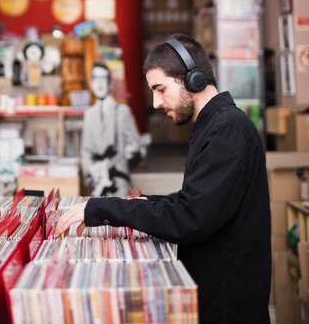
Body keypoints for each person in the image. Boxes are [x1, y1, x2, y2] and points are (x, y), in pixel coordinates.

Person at [55, 34, 271, 324]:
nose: (156, 103)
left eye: (160, 89)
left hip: (229, 306)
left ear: (194, 79)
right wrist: (141, 203)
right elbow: (197, 201)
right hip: (220, 295)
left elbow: (190, 217)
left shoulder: (227, 130)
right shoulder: (216, 126)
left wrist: (102, 208)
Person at [80, 61, 145, 197]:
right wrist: (91, 170)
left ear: (110, 83)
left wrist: (133, 150)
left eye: (103, 78)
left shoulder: (122, 111)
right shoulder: (89, 114)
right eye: (95, 78)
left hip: (118, 180)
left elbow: (136, 145)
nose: (99, 83)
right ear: (91, 83)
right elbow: (85, 152)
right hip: (96, 182)